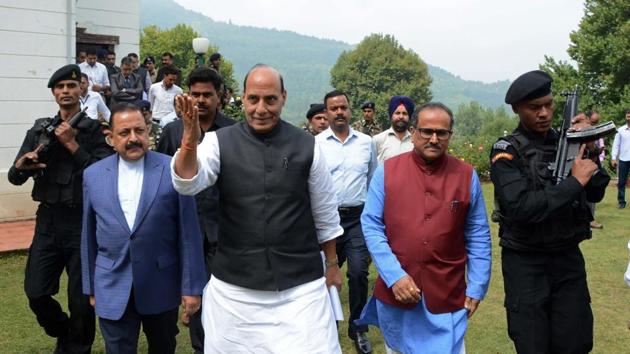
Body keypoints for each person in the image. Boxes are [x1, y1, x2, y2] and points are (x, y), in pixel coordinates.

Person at [171, 64, 343, 353]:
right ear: (243, 97)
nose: (261, 109)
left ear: (284, 97)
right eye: (253, 99)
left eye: (270, 100)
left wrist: (333, 264)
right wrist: (190, 141)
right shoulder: (217, 142)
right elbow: (187, 183)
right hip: (236, 292)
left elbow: (325, 213)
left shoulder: (308, 146)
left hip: (300, 289)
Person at [491, 70, 610, 354]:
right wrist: (572, 182)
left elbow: (595, 191)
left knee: (575, 341)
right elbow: (520, 208)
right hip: (526, 262)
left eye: (548, 104)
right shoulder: (506, 151)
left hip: (567, 259)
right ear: (516, 109)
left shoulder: (566, 144)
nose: (544, 113)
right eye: (534, 107)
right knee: (532, 343)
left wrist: (588, 149)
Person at [357, 102, 492, 354]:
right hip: (397, 292)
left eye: (441, 133)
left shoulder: (465, 175)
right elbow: (372, 224)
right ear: (414, 132)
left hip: (448, 291)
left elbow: (478, 234)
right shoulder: (387, 171)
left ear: (450, 135)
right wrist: (394, 275)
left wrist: (477, 284)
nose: (433, 138)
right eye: (426, 131)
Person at [81, 104, 206, 354]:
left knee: (163, 347)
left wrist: (191, 288)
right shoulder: (92, 175)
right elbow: (88, 235)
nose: (133, 138)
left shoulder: (172, 168)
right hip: (111, 284)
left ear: (148, 130)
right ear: (110, 138)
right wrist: (91, 288)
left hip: (161, 284)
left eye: (139, 130)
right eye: (124, 133)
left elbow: (189, 233)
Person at [7, 64, 113, 353]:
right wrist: (21, 166)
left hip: (82, 222)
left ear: (82, 89)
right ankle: (62, 330)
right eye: (59, 87)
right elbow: (14, 177)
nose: (65, 91)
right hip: (48, 221)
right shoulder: (41, 129)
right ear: (54, 93)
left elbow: (104, 175)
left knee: (81, 298)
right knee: (36, 291)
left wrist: (72, 145)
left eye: (71, 86)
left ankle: (77, 347)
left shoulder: (94, 131)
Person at [157, 67, 235, 354]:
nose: (200, 100)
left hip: (220, 230)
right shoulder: (172, 131)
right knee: (185, 295)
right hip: (180, 228)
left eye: (207, 94)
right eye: (195, 94)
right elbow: (162, 177)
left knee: (219, 298)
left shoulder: (232, 133)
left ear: (220, 96)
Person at [316, 90, 377, 354]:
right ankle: (322, 328)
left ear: (349, 110)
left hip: (357, 219)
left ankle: (358, 328)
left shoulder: (367, 143)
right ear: (326, 112)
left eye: (343, 107)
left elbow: (372, 181)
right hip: (327, 219)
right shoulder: (316, 144)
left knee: (358, 272)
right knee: (321, 277)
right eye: (333, 108)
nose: (339, 112)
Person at [372, 96, 415, 163]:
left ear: (409, 117)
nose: (401, 117)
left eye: (404, 113)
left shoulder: (415, 141)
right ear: (391, 115)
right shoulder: (378, 140)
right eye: (397, 113)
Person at [586, 111, 605, 228]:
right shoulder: (581, 131)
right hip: (583, 165)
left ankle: (591, 219)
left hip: (595, 164)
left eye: (597, 123)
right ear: (587, 119)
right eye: (593, 122)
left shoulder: (598, 131)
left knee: (593, 191)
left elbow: (601, 147)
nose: (595, 125)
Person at [611, 109, 630, 209]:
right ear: (625, 117)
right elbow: (616, 145)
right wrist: (614, 158)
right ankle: (621, 201)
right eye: (627, 116)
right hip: (623, 159)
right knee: (622, 181)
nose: (629, 118)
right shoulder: (620, 130)